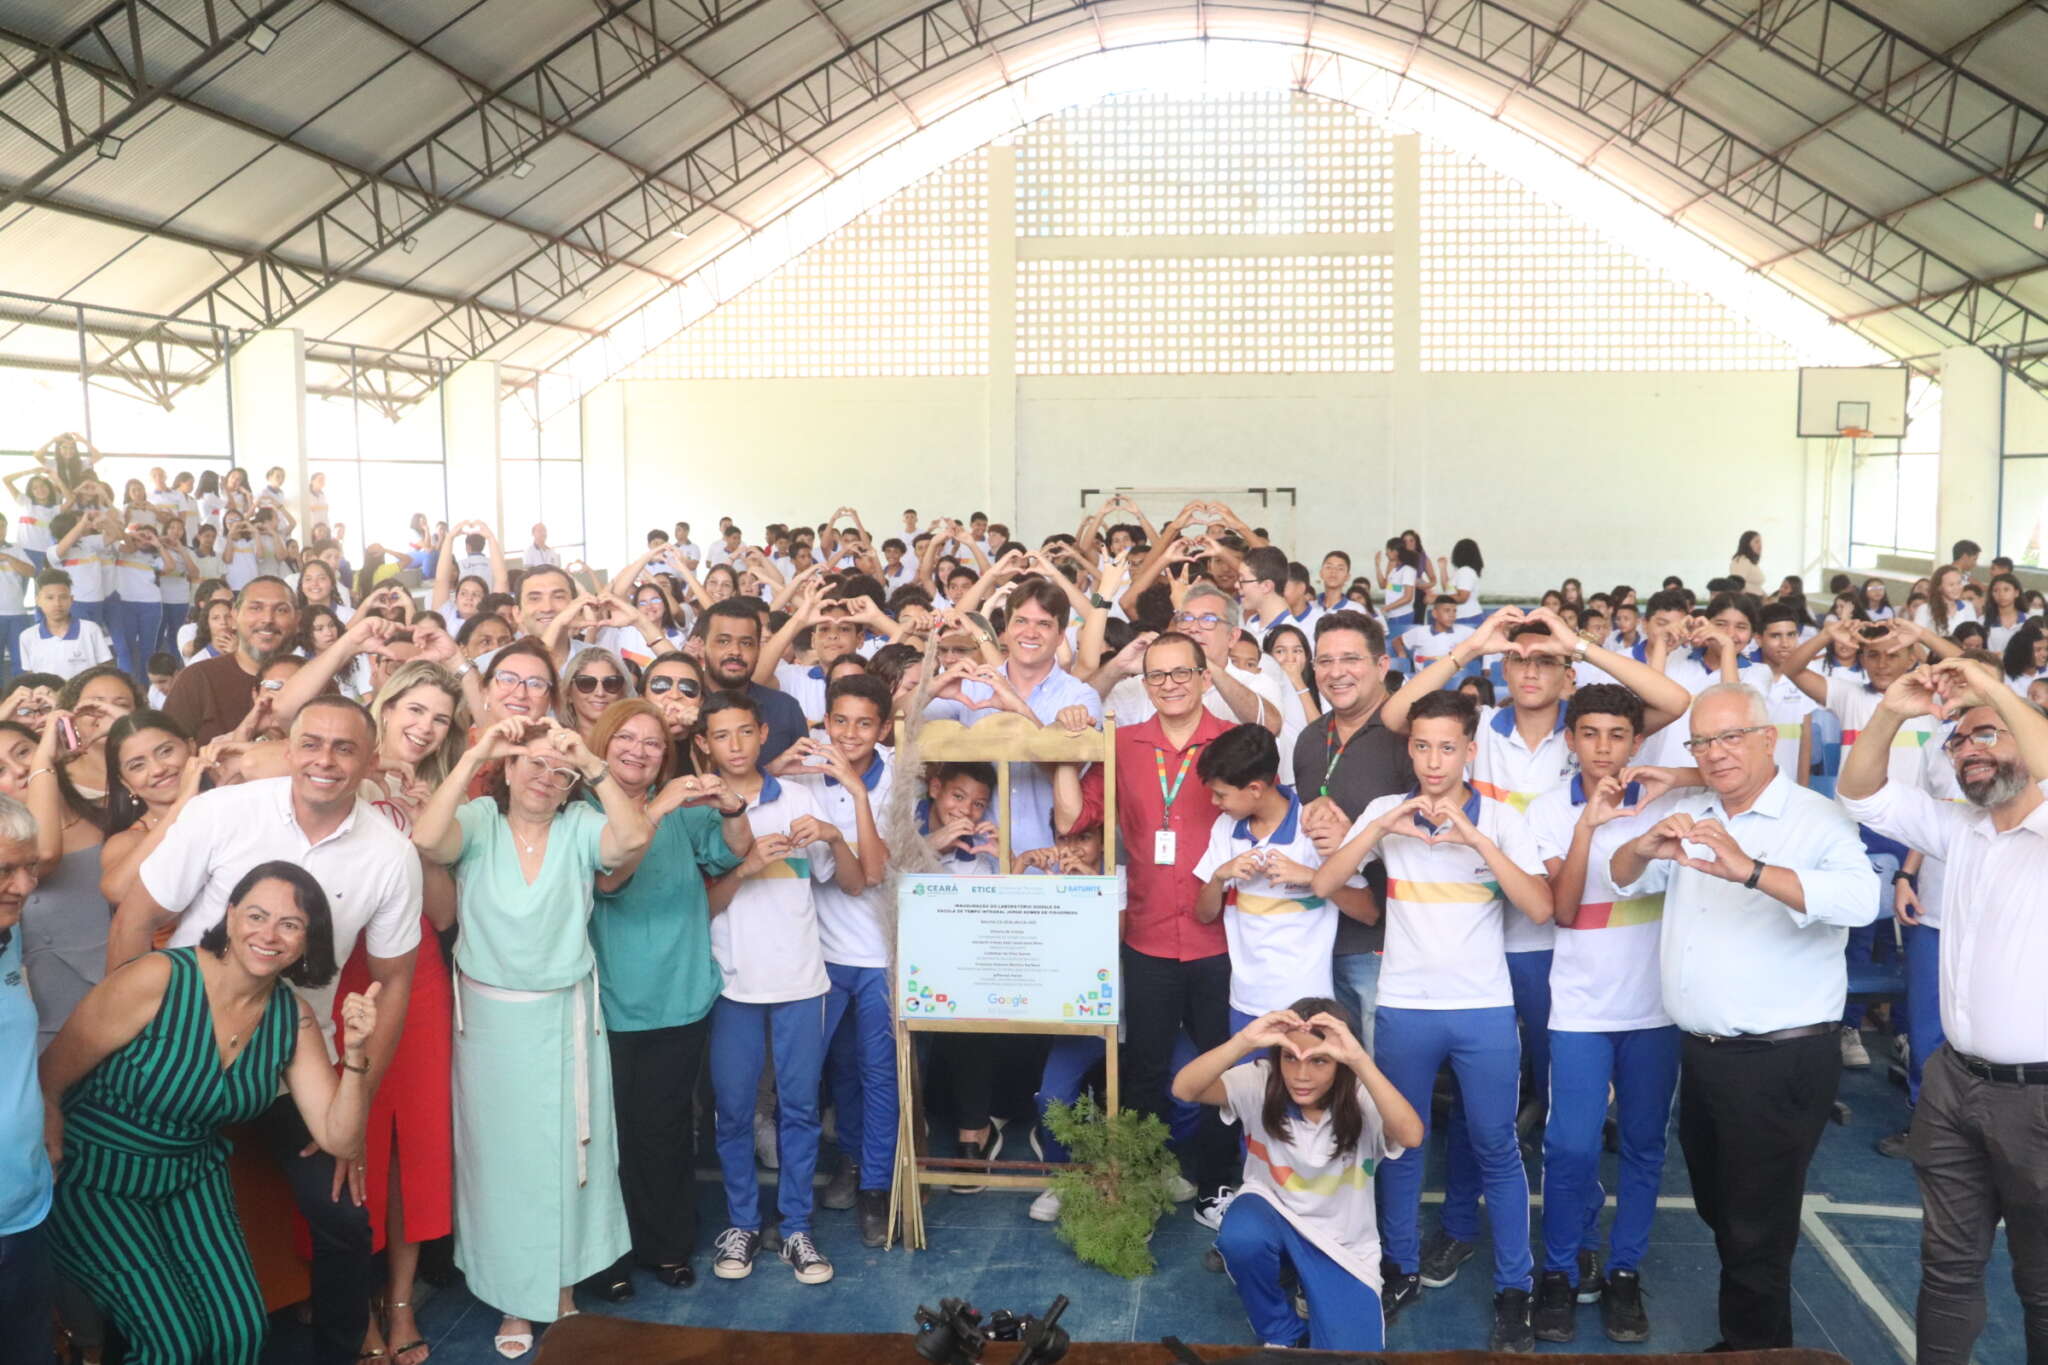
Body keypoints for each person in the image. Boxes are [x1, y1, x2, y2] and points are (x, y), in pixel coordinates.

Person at [107, 698, 422, 1365]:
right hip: (182, 1045)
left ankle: (341, 1351)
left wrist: (352, 1108)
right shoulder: (225, 811)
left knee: (341, 1211)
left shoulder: (391, 853)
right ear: (289, 745)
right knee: (129, 1194)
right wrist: (139, 1055)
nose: (325, 761)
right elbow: (135, 918)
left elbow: (393, 979)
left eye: (344, 748)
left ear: (369, 760)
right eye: (311, 743)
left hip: (294, 1057)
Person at [1603, 682, 1880, 1351]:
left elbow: (1862, 898)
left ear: (1767, 738)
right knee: (1723, 1210)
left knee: (1756, 1228)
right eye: (1702, 741)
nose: (1716, 753)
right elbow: (1619, 876)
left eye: (1731, 737)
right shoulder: (1696, 808)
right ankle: (1757, 1341)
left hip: (1779, 1057)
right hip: (1704, 1053)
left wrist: (1751, 868)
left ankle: (1754, 1349)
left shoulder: (1816, 819)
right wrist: (1645, 846)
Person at [40, 862, 379, 1365]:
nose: (269, 934)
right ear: (229, 915)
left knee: (240, 1333)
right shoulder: (159, 979)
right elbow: (51, 1077)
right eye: (257, 916)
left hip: (190, 1177)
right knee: (170, 1345)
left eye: (289, 925)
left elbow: (340, 1139)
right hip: (97, 1177)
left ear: (309, 942)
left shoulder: (292, 1017)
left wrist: (354, 1055)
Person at [1310, 689, 1554, 1351]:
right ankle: (1401, 1267)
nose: (1434, 760)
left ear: (1470, 750)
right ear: (1409, 747)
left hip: (1482, 1008)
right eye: (1421, 745)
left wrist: (1474, 835)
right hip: (1405, 1006)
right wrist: (1380, 830)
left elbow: (1538, 905)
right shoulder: (1388, 810)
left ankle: (1513, 1289)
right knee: (1401, 1145)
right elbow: (1325, 883)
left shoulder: (1502, 816)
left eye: (1448, 746)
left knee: (1495, 1145)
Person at [412, 713, 652, 1358]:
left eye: (560, 770)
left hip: (566, 1018)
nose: (546, 778)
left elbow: (632, 839)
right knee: (502, 1164)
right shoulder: (483, 824)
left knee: (570, 1159)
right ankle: (515, 1297)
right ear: (509, 770)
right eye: (534, 764)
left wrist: (593, 765)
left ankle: (563, 1288)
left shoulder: (578, 828)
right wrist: (473, 757)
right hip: (489, 1027)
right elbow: (430, 839)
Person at [1836, 653, 2048, 1364]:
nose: (1968, 750)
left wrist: (1988, 687)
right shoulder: (1963, 829)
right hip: (1955, 1084)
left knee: (2044, 1283)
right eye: (1957, 740)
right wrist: (1895, 710)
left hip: (2039, 1101)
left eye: (1987, 734)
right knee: (1948, 1269)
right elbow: (1861, 792)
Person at [1526, 685, 1677, 1344]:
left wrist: (1668, 781)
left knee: (1644, 1144)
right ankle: (1559, 1270)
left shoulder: (1668, 798)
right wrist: (1590, 824)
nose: (1603, 747)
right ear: (1570, 739)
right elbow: (1562, 908)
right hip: (1581, 1005)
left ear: (1636, 742)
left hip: (1658, 1007)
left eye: (1617, 734)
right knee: (1570, 1145)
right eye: (1589, 733)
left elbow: (1739, 776)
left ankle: (1622, 1271)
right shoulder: (1543, 810)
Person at [695, 690, 861, 1286]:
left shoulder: (799, 797)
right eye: (721, 736)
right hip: (732, 984)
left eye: (745, 732)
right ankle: (741, 1223)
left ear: (763, 733)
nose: (735, 746)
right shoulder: (698, 807)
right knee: (734, 1111)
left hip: (800, 980)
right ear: (703, 744)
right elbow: (700, 905)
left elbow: (844, 881)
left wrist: (836, 836)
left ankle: (795, 1228)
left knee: (798, 1110)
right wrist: (746, 866)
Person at [584, 698, 750, 1291]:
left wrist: (733, 806)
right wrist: (654, 808)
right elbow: (609, 878)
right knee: (608, 1133)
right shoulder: (583, 808)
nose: (638, 750)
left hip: (679, 995)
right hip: (608, 1002)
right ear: (602, 744)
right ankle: (608, 1258)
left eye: (653, 743)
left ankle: (668, 1245)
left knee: (666, 1128)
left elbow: (731, 850)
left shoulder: (684, 810)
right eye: (625, 738)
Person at [1172, 1001, 1423, 1351]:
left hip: (1342, 1242)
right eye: (1290, 1058)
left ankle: (1314, 1291)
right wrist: (1245, 1040)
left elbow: (1411, 1135)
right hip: (1274, 1209)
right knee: (1241, 1238)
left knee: (1351, 1357)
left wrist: (1360, 1060)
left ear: (1341, 1060)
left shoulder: (1362, 1096)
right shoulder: (1261, 1080)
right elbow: (1185, 1088)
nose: (1301, 1075)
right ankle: (1279, 1331)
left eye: (1319, 1060)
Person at [786, 675, 894, 1246]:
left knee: (879, 1073)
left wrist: (854, 792)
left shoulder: (898, 774)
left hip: (879, 952)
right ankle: (835, 1171)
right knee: (824, 1072)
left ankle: (876, 1186)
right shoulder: (803, 770)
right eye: (840, 721)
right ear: (824, 721)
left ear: (884, 728)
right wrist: (783, 762)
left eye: (864, 722)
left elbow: (873, 869)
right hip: (817, 953)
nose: (850, 733)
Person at [0, 794, 52, 1365]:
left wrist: (48, 1110)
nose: (23, 885)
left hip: (26, 1206)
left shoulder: (8, 931)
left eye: (29, 867)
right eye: (4, 871)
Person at [161, 576, 299, 744]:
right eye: (255, 608)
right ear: (234, 616)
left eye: (281, 610)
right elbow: (167, 754)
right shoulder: (196, 679)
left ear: (297, 619)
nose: (268, 619)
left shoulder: (314, 680)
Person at [19, 570, 113, 681]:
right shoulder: (27, 636)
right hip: (46, 696)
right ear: (38, 601)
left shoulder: (90, 630)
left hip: (82, 697)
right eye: (50, 598)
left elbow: (106, 668)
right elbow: (30, 675)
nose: (57, 603)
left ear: (71, 600)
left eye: (63, 597)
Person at [1728, 530, 1764, 595]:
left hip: (1755, 601)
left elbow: (1755, 587)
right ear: (1746, 544)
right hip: (1748, 602)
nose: (1760, 545)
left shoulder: (1750, 562)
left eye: (1760, 542)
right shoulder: (1742, 560)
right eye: (1756, 542)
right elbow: (1738, 586)